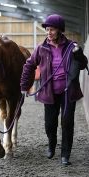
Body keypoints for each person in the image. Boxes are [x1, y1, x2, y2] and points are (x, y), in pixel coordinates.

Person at [20, 14, 88, 166]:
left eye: (52, 29)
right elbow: (29, 65)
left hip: (68, 92)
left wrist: (79, 54)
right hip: (49, 92)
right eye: (47, 29)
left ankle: (65, 155)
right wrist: (24, 86)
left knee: (67, 123)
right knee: (50, 124)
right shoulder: (41, 48)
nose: (48, 32)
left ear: (60, 30)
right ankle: (51, 144)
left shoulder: (71, 46)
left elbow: (83, 64)